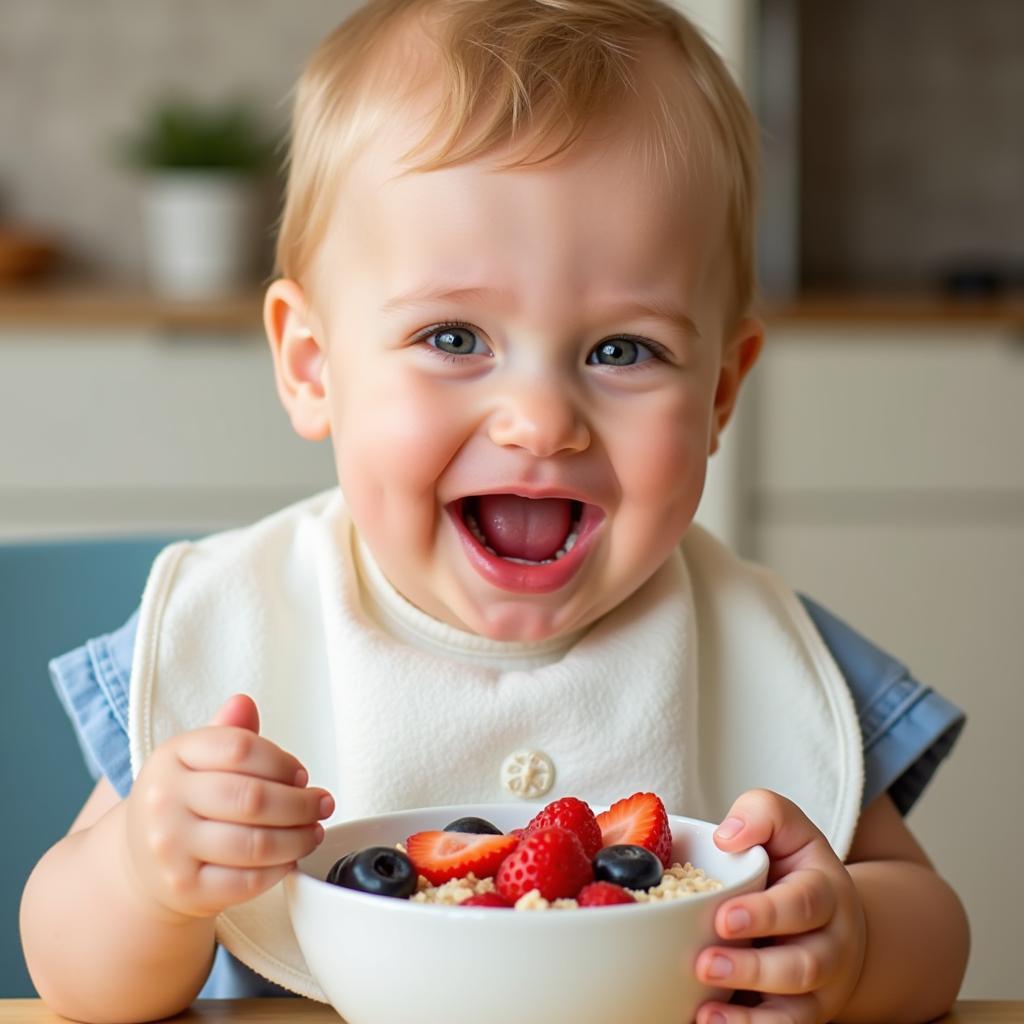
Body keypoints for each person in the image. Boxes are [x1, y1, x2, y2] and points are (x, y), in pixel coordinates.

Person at [20, 1, 970, 1022]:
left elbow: (934, 930)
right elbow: (72, 975)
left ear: (719, 396)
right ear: (312, 366)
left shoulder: (753, 644)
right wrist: (142, 877)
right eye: (453, 336)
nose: (538, 420)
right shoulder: (243, 624)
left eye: (621, 350)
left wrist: (853, 944)